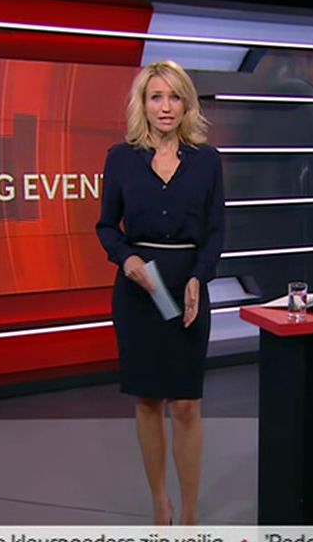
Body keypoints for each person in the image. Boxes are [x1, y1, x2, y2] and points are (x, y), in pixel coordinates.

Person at [96, 60, 224, 525]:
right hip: (138, 291)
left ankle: (189, 515)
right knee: (148, 401)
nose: (165, 107)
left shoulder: (207, 161)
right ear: (143, 104)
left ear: (186, 104)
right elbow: (107, 226)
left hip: (187, 285)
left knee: (186, 404)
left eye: (174, 97)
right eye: (156, 97)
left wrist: (199, 277)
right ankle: (160, 504)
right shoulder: (120, 159)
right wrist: (125, 258)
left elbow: (215, 232)